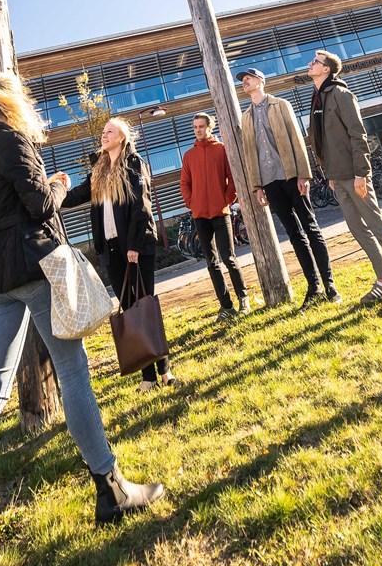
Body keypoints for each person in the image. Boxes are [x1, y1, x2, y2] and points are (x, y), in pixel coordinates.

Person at [0, 74, 163, 566]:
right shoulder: (14, 141)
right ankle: (112, 489)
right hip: (36, 270)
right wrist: (58, 185)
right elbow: (39, 206)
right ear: (14, 103)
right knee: (74, 372)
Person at [63, 117, 175, 392]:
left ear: (122, 138)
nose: (103, 135)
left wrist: (135, 245)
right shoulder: (99, 170)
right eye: (102, 132)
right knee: (129, 309)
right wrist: (53, 192)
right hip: (112, 250)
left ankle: (165, 372)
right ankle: (147, 376)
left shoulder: (134, 164)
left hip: (135, 246)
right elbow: (78, 195)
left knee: (145, 307)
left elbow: (141, 205)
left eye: (109, 131)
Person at [307, 50, 382, 310]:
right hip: (337, 176)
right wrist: (328, 173)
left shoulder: (342, 95)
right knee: (358, 230)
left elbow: (359, 135)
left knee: (378, 228)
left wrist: (361, 173)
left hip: (355, 175)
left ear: (326, 69)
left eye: (315, 62)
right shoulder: (317, 98)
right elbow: (319, 140)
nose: (310, 65)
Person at [237, 67, 341, 309]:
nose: (245, 82)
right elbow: (250, 155)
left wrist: (303, 174)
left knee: (311, 228)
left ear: (261, 81)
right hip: (269, 182)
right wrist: (257, 186)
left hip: (291, 176)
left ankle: (330, 284)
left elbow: (296, 138)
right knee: (294, 235)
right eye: (242, 80)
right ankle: (313, 286)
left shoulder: (281, 105)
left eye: (248, 78)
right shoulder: (246, 117)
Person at [180, 112, 252, 322]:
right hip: (200, 216)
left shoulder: (221, 150)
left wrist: (226, 200)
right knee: (211, 262)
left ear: (210, 127)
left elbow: (232, 178)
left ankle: (243, 298)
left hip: (221, 213)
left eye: (201, 126)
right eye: (195, 127)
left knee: (229, 258)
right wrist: (192, 203)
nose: (197, 130)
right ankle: (226, 306)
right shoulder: (188, 156)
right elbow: (185, 184)